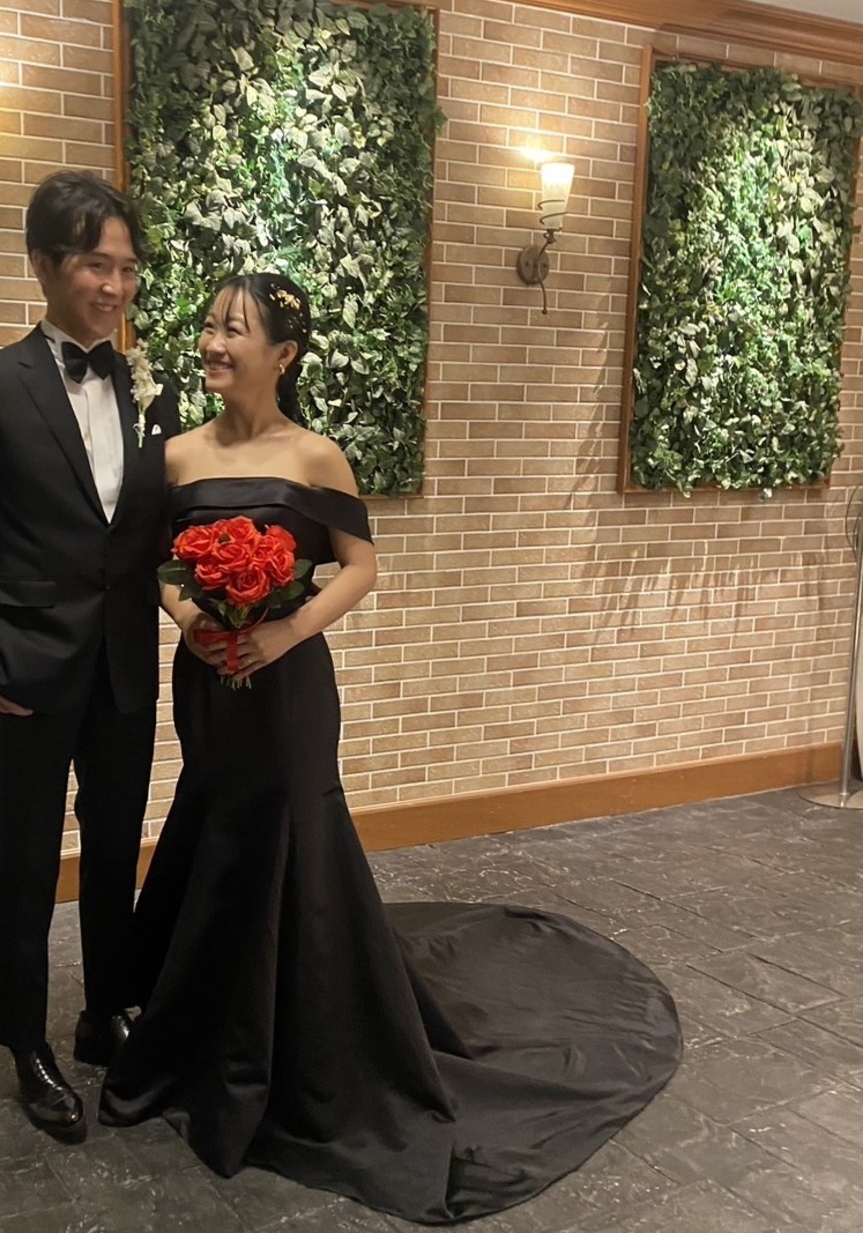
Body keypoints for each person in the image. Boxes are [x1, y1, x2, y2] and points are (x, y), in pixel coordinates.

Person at [99, 272, 681, 1223]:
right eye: (209, 325)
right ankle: (201, 1030)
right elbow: (159, 566)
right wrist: (193, 618)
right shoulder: (176, 455)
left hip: (289, 683)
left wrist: (285, 631)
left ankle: (299, 1042)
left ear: (284, 354)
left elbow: (360, 565)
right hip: (208, 679)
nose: (213, 342)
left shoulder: (317, 455)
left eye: (233, 329)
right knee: (214, 821)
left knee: (289, 831)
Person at [0, 170, 180, 1142]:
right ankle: (24, 1039)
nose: (114, 285)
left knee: (114, 849)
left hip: (125, 664)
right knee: (25, 860)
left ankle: (105, 1009)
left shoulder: (151, 389)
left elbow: (151, 531)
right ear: (42, 264)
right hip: (28, 665)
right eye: (94, 264)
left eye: (126, 267)